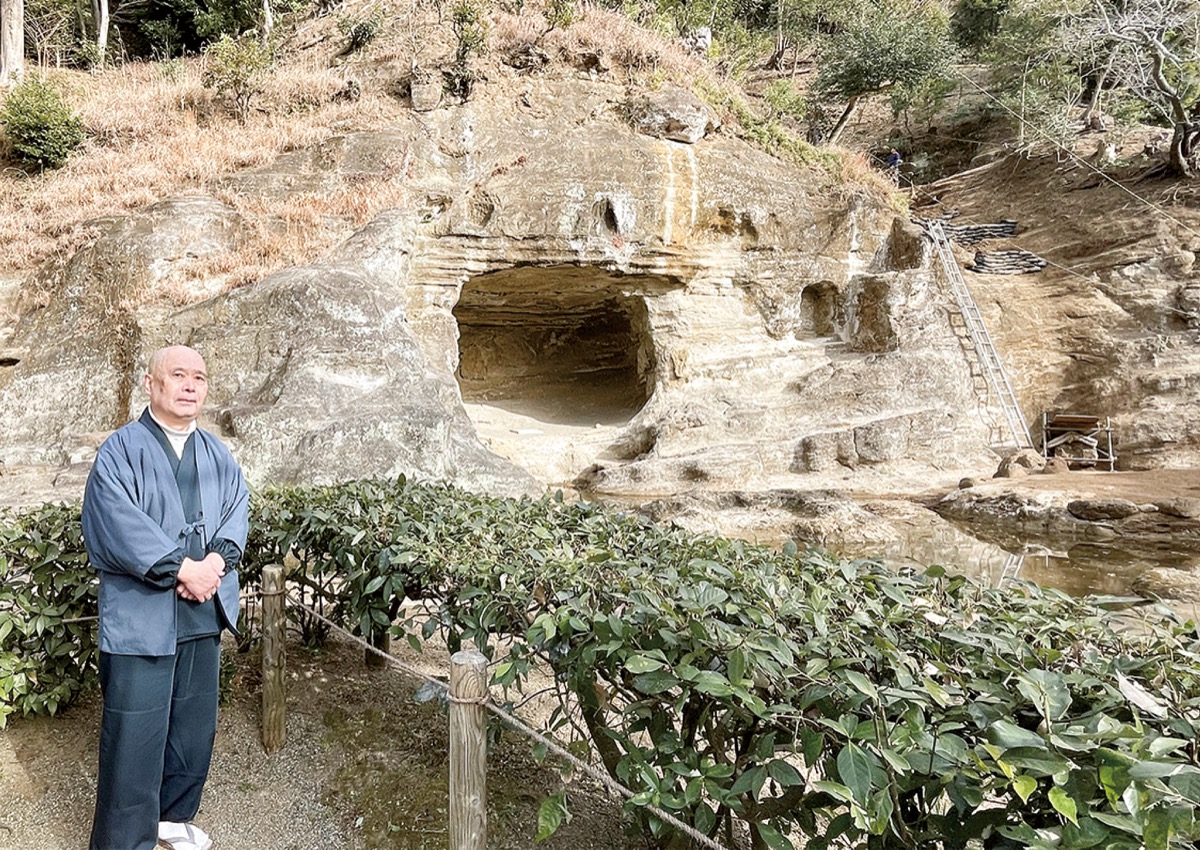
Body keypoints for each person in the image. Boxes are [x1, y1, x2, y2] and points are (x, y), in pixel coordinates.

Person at [82, 345, 249, 850]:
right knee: (134, 733)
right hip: (141, 613)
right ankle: (124, 840)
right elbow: (114, 521)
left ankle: (174, 822)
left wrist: (215, 564)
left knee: (192, 728)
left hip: (201, 609)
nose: (190, 385)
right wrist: (181, 567)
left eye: (199, 376)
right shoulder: (121, 448)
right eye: (178, 375)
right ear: (152, 384)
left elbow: (236, 511)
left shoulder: (218, 452)